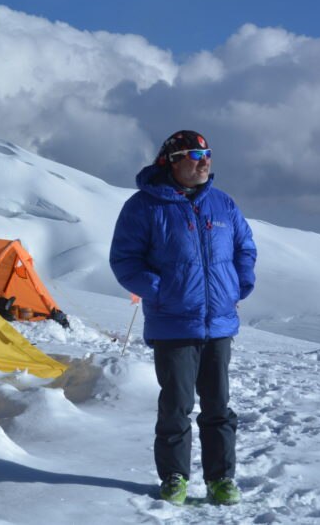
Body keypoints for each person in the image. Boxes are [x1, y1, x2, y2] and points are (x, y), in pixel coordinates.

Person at [109, 130, 256, 506]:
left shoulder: (223, 204)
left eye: (207, 152)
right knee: (176, 405)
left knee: (218, 405)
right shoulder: (144, 207)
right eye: (194, 154)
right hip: (173, 323)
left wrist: (237, 286)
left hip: (219, 324)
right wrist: (163, 291)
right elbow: (125, 261)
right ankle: (175, 477)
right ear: (172, 162)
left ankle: (221, 478)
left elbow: (245, 248)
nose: (204, 160)